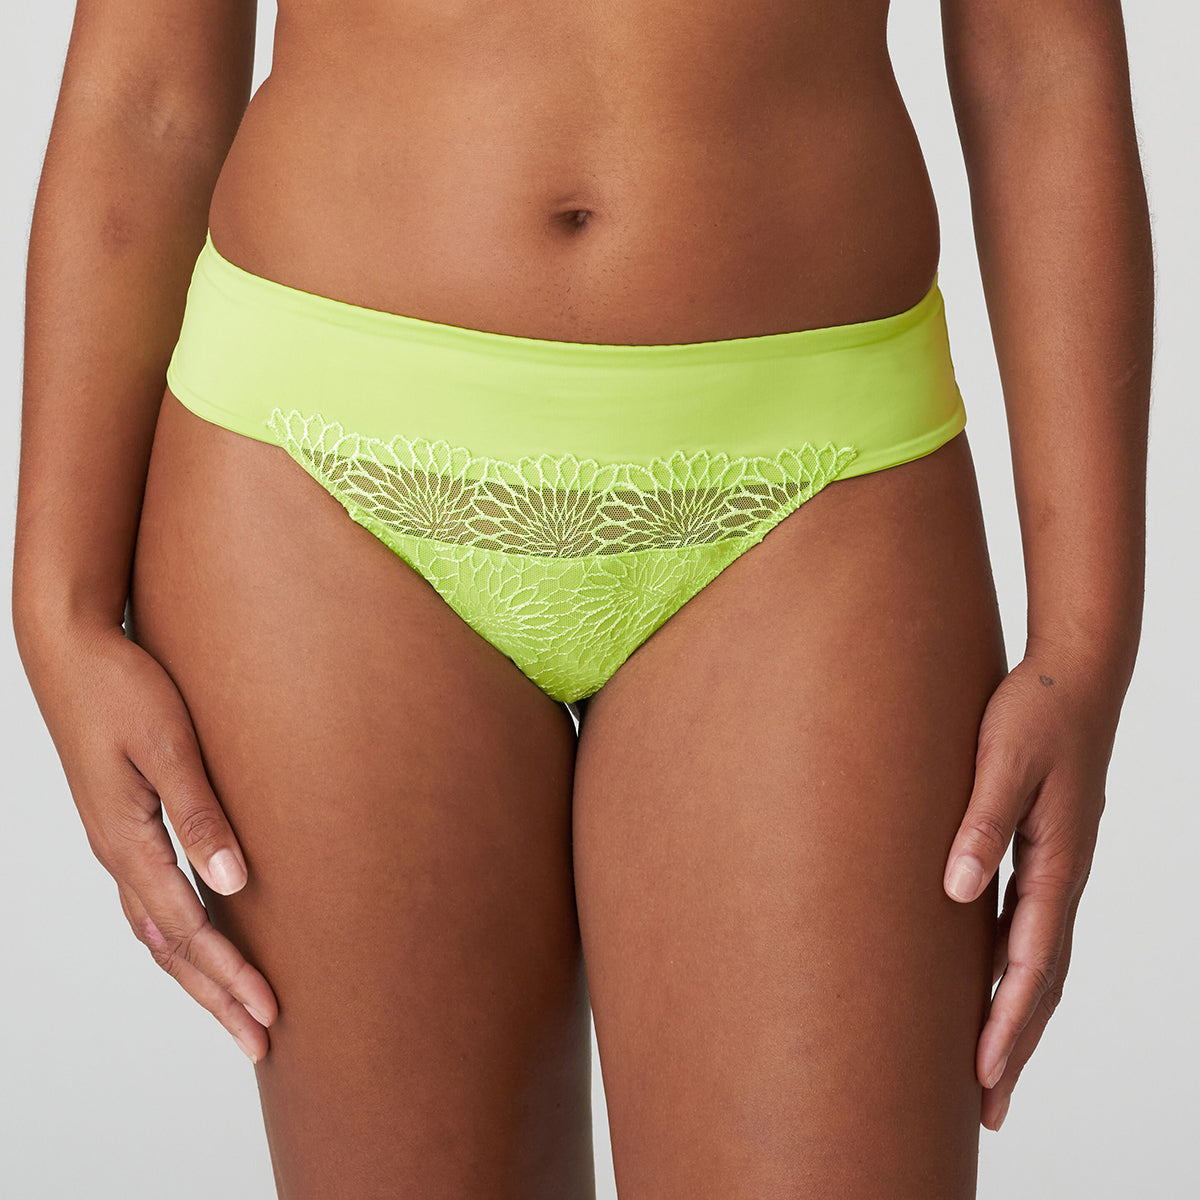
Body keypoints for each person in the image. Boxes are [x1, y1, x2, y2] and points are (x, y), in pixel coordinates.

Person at [11, 1, 1152, 1196]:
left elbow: (1037, 61)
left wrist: (1088, 640)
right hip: (316, 473)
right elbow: (149, 90)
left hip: (815, 479)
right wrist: (57, 602)